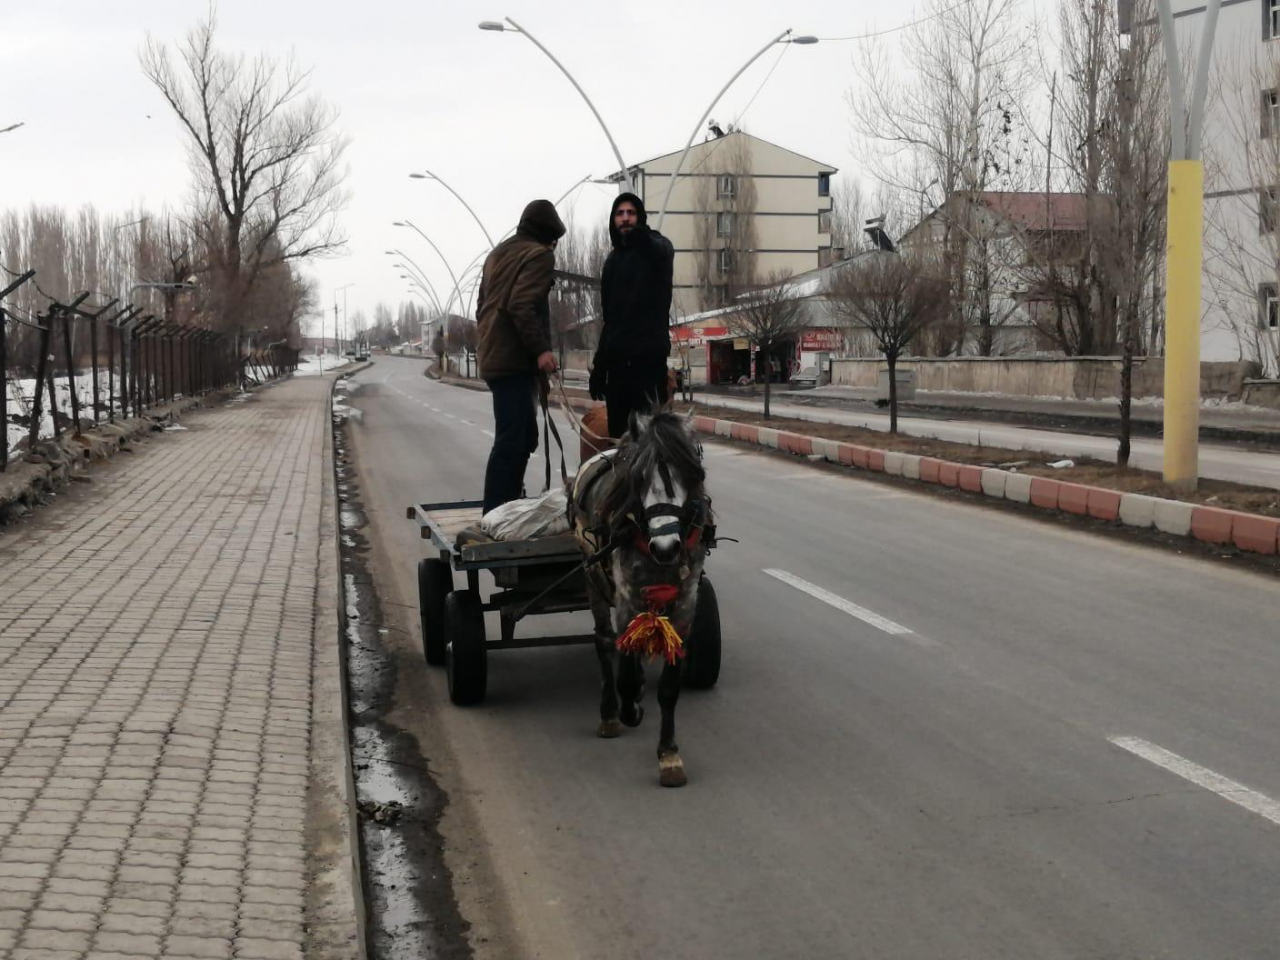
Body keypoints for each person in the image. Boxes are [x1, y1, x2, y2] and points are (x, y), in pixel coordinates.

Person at [475, 199, 565, 514]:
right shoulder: (539, 255)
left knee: (523, 436)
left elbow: (481, 306)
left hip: (495, 355)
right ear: (549, 236)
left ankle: (508, 501)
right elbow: (521, 305)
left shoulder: (498, 254)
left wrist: (490, 338)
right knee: (512, 438)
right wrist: (541, 350)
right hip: (513, 361)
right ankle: (496, 513)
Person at [589, 192, 675, 439]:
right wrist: (599, 367)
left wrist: (642, 238)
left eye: (631, 213)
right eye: (619, 213)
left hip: (648, 363)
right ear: (613, 220)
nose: (625, 218)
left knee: (649, 438)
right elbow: (610, 321)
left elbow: (662, 252)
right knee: (619, 438)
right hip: (617, 366)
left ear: (640, 217)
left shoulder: (657, 246)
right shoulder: (612, 262)